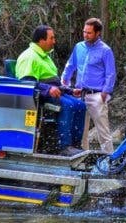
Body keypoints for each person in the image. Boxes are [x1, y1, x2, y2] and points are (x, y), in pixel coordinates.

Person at [15, 25, 86, 156]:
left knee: (80, 105)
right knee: (69, 105)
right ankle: (64, 146)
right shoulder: (29, 57)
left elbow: (54, 83)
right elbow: (27, 83)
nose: (54, 41)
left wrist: (70, 91)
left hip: (53, 92)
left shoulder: (45, 56)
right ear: (41, 41)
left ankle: (75, 145)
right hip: (40, 96)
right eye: (51, 38)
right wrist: (48, 89)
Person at [61, 18, 116, 154]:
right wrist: (64, 83)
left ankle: (110, 160)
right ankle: (82, 160)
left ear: (98, 33)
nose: (85, 35)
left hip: (97, 95)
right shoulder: (79, 47)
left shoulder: (105, 50)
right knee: (81, 131)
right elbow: (70, 65)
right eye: (84, 32)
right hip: (79, 94)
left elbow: (111, 73)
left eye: (89, 33)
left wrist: (105, 93)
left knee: (103, 132)